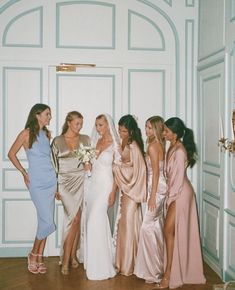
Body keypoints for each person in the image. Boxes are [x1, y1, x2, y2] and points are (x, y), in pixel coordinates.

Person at [155, 117, 206, 289]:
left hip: (181, 193)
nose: (164, 133)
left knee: (168, 229)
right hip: (176, 191)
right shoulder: (172, 146)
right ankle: (172, 270)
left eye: (166, 131)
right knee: (169, 231)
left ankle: (169, 274)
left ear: (174, 134)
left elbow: (176, 181)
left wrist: (169, 199)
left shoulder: (179, 151)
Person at [8, 103, 57, 274]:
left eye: (49, 114)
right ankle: (32, 254)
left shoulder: (47, 134)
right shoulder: (26, 133)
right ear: (37, 115)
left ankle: (39, 256)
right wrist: (23, 172)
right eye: (47, 114)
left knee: (45, 221)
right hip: (36, 181)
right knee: (48, 222)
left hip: (51, 180)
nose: (50, 117)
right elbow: (11, 154)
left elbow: (49, 159)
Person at [51, 111, 90, 275]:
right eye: (77, 124)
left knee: (78, 220)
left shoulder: (85, 139)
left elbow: (89, 161)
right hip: (65, 184)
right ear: (69, 123)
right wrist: (55, 188)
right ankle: (66, 259)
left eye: (81, 124)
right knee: (71, 220)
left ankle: (73, 255)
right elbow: (53, 166)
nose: (79, 127)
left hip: (81, 181)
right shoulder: (57, 141)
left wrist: (89, 166)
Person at [84, 113, 119, 280]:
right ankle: (94, 262)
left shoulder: (115, 144)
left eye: (101, 125)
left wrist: (113, 192)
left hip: (106, 186)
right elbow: (90, 165)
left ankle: (101, 266)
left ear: (108, 125)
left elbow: (117, 171)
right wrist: (87, 165)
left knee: (94, 222)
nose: (98, 128)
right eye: (96, 125)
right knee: (93, 221)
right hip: (93, 186)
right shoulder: (94, 142)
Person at [112, 114, 147, 276]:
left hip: (132, 191)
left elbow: (139, 170)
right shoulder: (124, 141)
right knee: (125, 225)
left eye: (124, 131)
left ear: (131, 131)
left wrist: (117, 168)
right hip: (126, 190)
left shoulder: (133, 145)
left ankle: (128, 265)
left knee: (128, 225)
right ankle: (123, 261)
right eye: (119, 130)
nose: (121, 133)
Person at [134, 116, 167, 283]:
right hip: (159, 187)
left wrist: (152, 196)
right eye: (145, 127)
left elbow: (155, 173)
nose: (146, 131)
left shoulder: (154, 146)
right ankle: (157, 268)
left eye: (149, 128)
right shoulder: (159, 144)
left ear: (156, 129)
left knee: (147, 228)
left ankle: (153, 272)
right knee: (155, 227)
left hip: (156, 188)